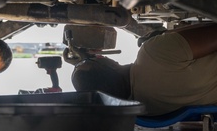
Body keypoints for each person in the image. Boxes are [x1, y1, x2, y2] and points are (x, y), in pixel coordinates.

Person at [65, 23, 217, 116]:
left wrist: (85, 65)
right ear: (107, 63)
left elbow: (95, 81)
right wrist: (164, 37)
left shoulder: (147, 109)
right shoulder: (153, 54)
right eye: (96, 59)